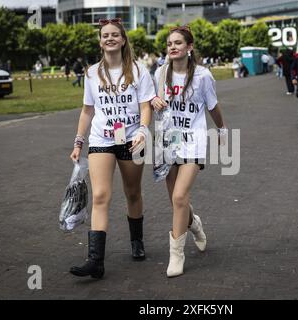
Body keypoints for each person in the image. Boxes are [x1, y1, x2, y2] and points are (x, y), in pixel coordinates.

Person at [69, 18, 156, 279]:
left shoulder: (139, 70)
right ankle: (95, 260)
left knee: (132, 193)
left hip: (132, 140)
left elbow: (145, 106)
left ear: (123, 39)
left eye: (114, 35)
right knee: (100, 196)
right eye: (105, 35)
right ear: (100, 41)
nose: (109, 38)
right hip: (101, 140)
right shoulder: (92, 73)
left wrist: (142, 130)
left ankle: (137, 241)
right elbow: (87, 110)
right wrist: (78, 140)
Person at [151, 25, 227, 277]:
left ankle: (176, 255)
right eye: (169, 43)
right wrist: (153, 101)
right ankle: (194, 224)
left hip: (193, 141)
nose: (172, 47)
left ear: (189, 47)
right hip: (168, 141)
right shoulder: (160, 73)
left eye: (178, 43)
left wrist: (223, 130)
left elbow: (213, 106)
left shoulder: (203, 76)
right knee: (176, 201)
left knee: (180, 197)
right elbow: (150, 102)